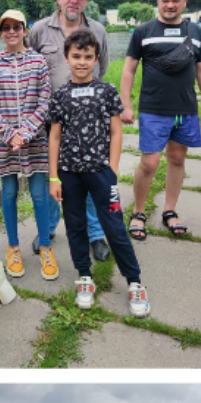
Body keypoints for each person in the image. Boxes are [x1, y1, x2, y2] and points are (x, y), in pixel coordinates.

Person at [48, 30, 150, 316]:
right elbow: (54, 137)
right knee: (76, 227)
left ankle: (134, 282)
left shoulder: (107, 91)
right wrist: (54, 176)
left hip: (102, 173)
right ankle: (84, 276)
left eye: (88, 57)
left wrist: (112, 170)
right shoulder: (60, 96)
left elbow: (116, 132)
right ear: (67, 58)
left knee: (115, 227)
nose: (82, 62)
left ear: (96, 59)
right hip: (69, 175)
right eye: (76, 56)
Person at [120, 0, 201, 239]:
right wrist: (126, 105)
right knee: (149, 163)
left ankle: (170, 211)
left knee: (176, 159)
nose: (170, 5)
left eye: (175, 0)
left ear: (184, 2)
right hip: (153, 109)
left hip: (185, 110)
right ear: (158, 2)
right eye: (165, 1)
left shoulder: (195, 31)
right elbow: (129, 69)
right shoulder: (143, 31)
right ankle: (138, 212)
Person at [26, 0, 112, 261]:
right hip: (49, 120)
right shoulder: (39, 30)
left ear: (86, 1)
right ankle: (47, 228)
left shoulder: (98, 30)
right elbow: (29, 66)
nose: (74, 0)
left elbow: (103, 67)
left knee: (90, 178)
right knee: (51, 175)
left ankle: (96, 233)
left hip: (89, 121)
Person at [0, 10, 55, 280]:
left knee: (39, 194)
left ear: (25, 29)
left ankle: (46, 246)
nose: (11, 32)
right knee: (9, 193)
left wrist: (26, 132)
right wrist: (8, 133)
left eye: (17, 27)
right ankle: (13, 247)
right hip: (5, 145)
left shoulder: (39, 62)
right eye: (6, 27)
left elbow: (45, 101)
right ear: (0, 32)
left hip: (34, 142)